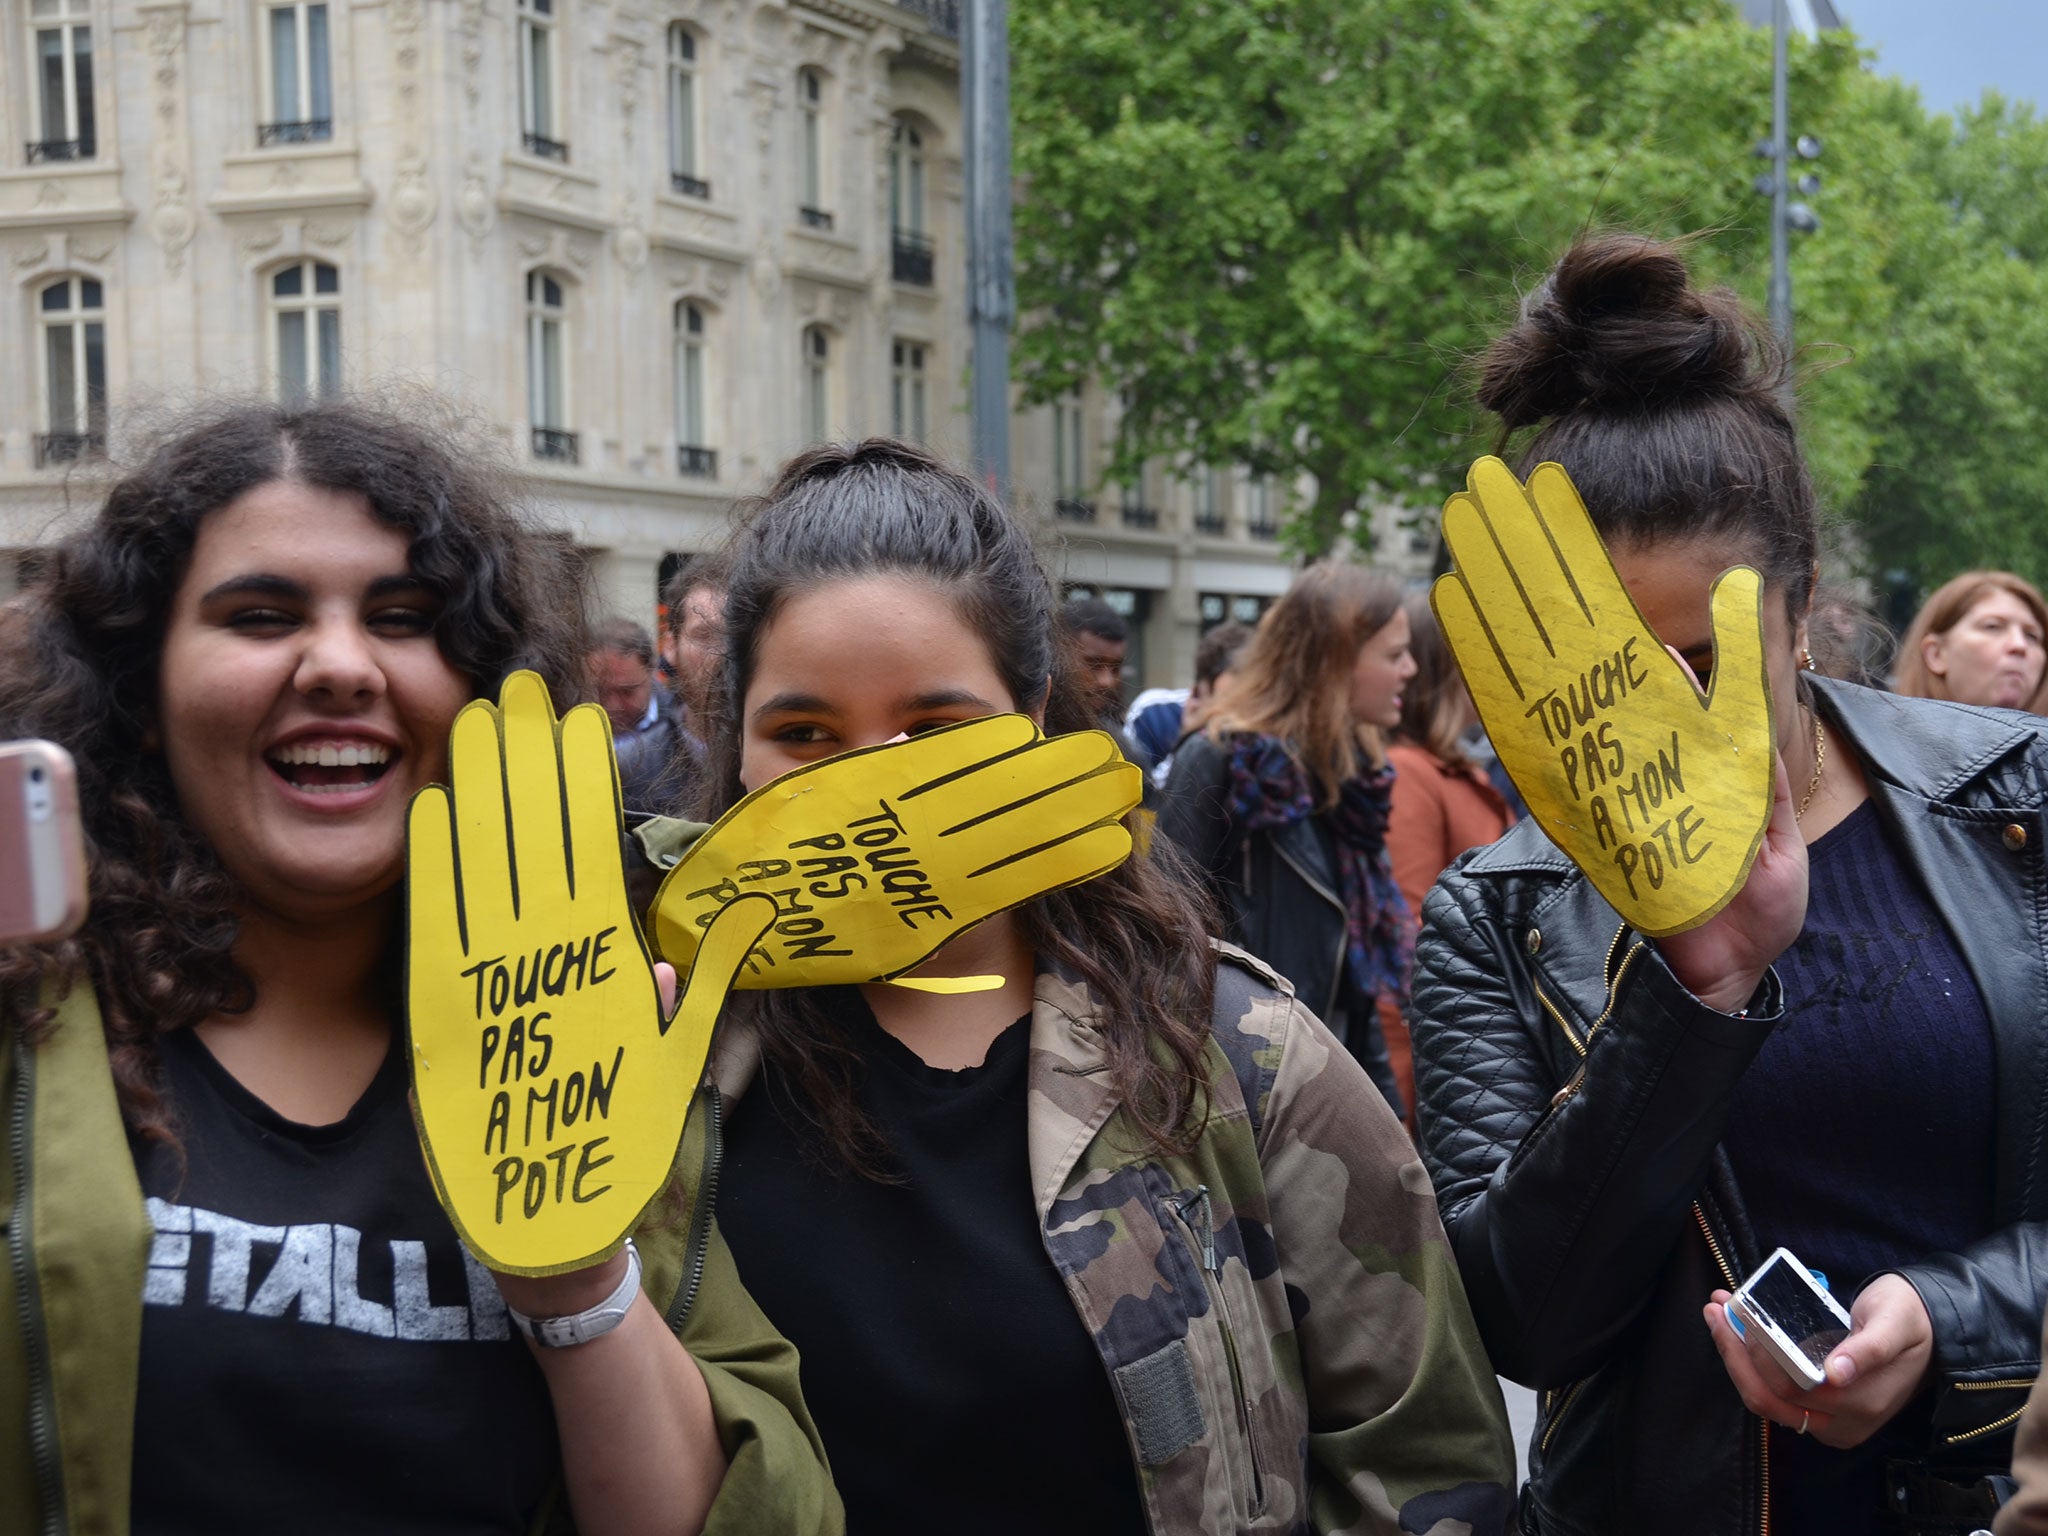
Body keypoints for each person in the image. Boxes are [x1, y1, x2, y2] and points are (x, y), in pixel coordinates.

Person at [0, 401, 836, 1535]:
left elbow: (765, 1512)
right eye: (260, 615)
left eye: (401, 619)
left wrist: (571, 1274)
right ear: (142, 692)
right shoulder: (30, 1014)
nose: (341, 666)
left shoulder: (600, 1011)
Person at [693, 438, 1516, 1535]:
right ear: (737, 743)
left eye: (934, 730)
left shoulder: (1243, 1063)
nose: (870, 790)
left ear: (1033, 719)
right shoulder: (661, 1077)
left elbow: (1424, 1468)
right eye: (804, 733)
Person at [1409, 234, 2048, 1536]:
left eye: (1700, 658)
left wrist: (1952, 1324)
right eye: (1610, 671)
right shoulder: (1500, 909)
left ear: (1801, 612)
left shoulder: (2019, 803)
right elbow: (1528, 1320)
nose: (1663, 716)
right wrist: (1700, 990)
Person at [1157, 563, 1417, 1117]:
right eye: (1393, 655)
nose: (1410, 670)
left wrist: (1392, 1127)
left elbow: (1356, 987)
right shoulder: (1220, 760)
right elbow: (1162, 943)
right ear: (1336, 661)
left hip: (1323, 1094)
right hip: (1241, 1099)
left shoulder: (1352, 783)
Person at [1381, 593, 1514, 1120]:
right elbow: (1411, 938)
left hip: (1480, 1048)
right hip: (1453, 1065)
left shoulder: (1455, 769)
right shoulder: (1409, 773)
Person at [1893, 570, 2048, 713]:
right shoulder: (1879, 740)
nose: (2019, 645)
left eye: (2032, 636)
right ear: (1936, 654)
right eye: (1992, 627)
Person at [590, 616, 695, 815]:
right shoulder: (568, 726)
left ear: (651, 671)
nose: (612, 706)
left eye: (627, 692)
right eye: (599, 691)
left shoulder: (684, 731)